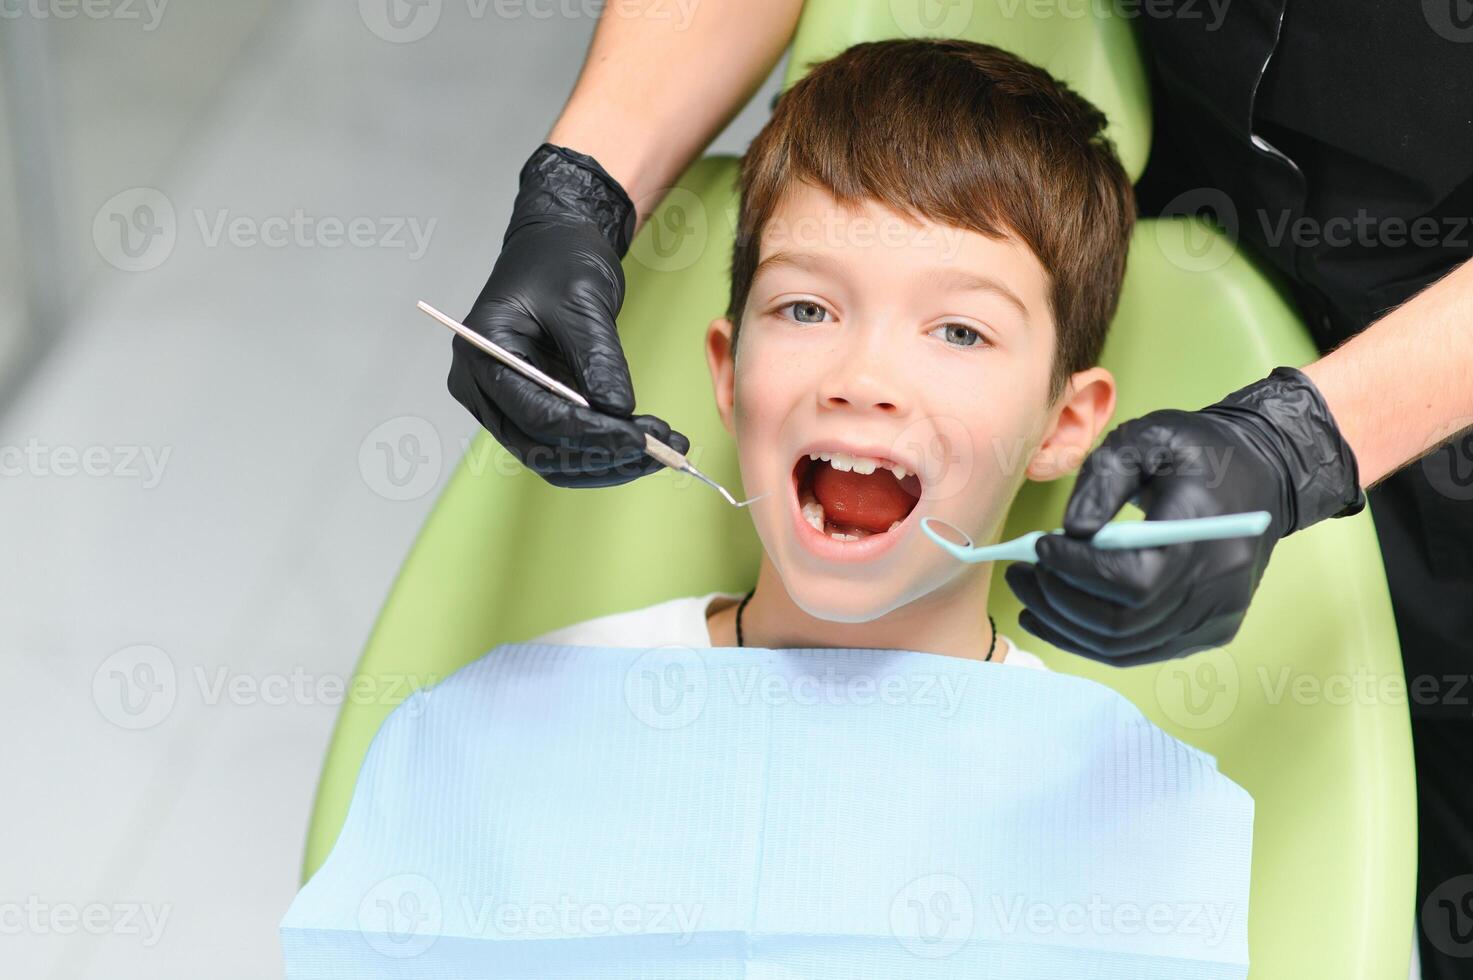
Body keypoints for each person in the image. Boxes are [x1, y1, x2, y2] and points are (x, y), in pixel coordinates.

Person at [444, 2, 1472, 973]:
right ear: (725, 369)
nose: (864, 379)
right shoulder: (501, 736)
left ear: (1068, 421)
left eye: (958, 329)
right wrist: (577, 186)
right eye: (806, 308)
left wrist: (1301, 442)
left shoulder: (1140, 827)